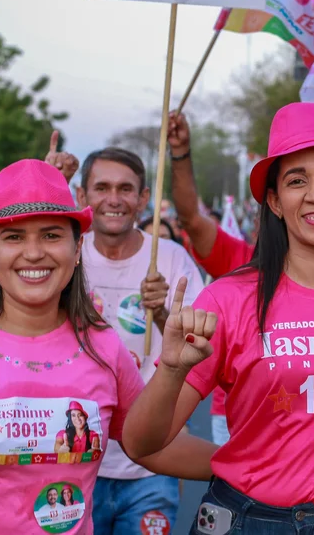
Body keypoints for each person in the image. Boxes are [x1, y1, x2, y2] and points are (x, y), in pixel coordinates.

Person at [0, 159, 216, 535]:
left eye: (51, 235)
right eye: (14, 237)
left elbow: (149, 445)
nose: (33, 254)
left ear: (77, 247)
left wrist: (266, 465)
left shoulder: (102, 344)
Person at [132, 102, 314, 534]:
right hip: (247, 520)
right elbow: (142, 443)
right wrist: (174, 372)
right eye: (296, 181)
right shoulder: (230, 298)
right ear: (274, 200)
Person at [167, 109, 314, 447]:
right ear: (273, 203)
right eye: (296, 183)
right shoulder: (233, 283)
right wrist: (239, 475)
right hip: (238, 436)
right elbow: (191, 218)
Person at [74, 146, 205, 534]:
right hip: (77, 462)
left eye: (126, 189)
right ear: (82, 197)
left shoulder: (170, 258)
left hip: (152, 463)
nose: (113, 199)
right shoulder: (66, 254)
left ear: (143, 198)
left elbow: (196, 351)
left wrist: (163, 313)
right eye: (101, 188)